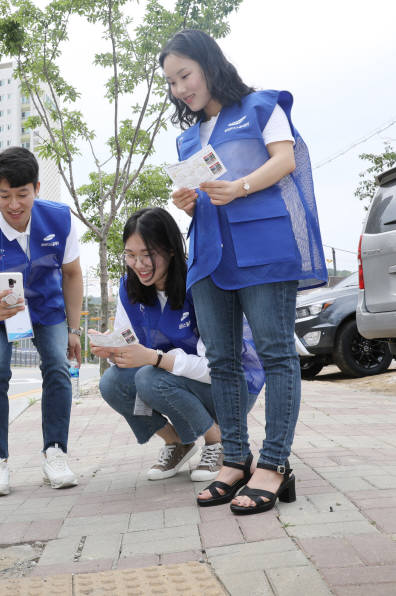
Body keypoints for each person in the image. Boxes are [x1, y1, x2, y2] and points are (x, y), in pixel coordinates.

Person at [159, 29, 327, 514]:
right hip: (210, 257)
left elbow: (285, 159)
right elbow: (205, 197)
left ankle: (274, 466)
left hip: (264, 248)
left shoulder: (260, 106)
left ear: (210, 65)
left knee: (276, 356)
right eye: (171, 82)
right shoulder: (188, 137)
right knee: (224, 362)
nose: (180, 89)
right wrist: (188, 202)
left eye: (184, 75)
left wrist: (243, 186)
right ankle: (235, 461)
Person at [93, 208, 264, 484]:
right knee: (112, 382)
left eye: (147, 254)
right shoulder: (130, 287)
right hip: (173, 383)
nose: (139, 264)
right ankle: (178, 444)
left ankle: (218, 442)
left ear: (171, 250)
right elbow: (130, 346)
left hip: (230, 390)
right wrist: (112, 351)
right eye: (130, 255)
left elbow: (218, 367)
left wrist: (155, 358)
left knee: (150, 377)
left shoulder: (199, 285)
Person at [0, 146, 83, 496]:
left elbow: (72, 275)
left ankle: (55, 453)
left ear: (37, 188)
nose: (14, 205)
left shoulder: (60, 219)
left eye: (22, 194)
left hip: (47, 308)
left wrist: (73, 330)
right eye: (4, 195)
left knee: (57, 365)